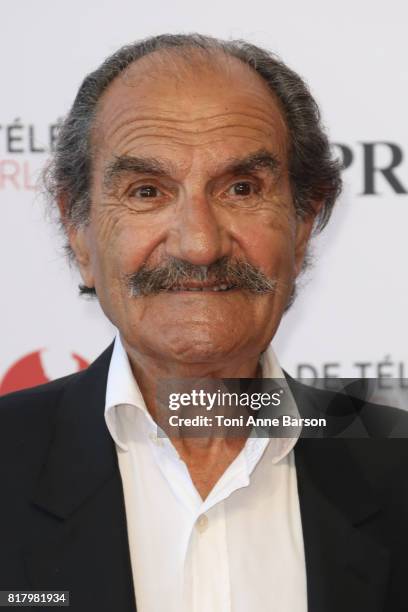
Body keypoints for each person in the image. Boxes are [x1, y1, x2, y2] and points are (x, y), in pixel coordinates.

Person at [0, 33, 407, 612]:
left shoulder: (397, 474)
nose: (199, 243)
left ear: (302, 223)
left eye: (241, 189)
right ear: (79, 231)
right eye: (147, 191)